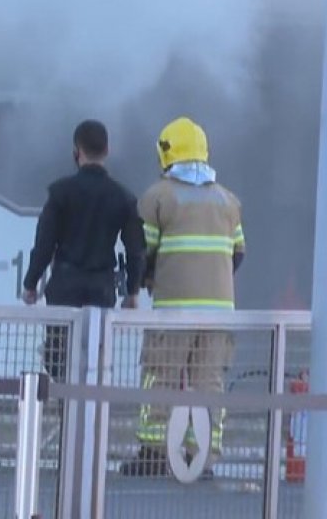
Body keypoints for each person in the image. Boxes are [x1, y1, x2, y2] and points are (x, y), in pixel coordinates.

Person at [120, 116, 244, 479]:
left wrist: (146, 281)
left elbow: (144, 251)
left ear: (166, 152)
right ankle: (201, 457)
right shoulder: (228, 200)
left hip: (173, 310)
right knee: (208, 382)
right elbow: (238, 253)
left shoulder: (158, 196)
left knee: (161, 375)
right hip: (220, 312)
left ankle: (154, 453)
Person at [22, 120, 146, 380]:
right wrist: (133, 292)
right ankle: (91, 418)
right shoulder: (123, 197)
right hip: (101, 290)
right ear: (107, 150)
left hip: (64, 288)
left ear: (76, 151)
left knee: (59, 359)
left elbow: (44, 244)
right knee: (95, 361)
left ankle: (64, 415)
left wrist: (31, 283)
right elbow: (136, 250)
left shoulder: (59, 193)